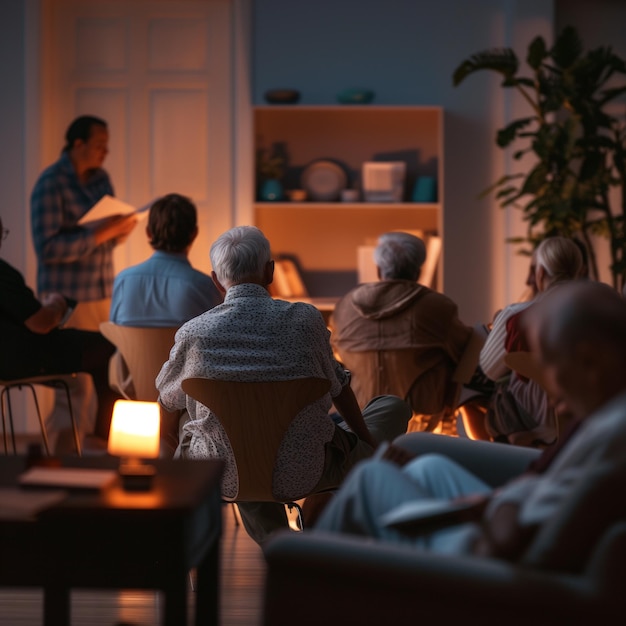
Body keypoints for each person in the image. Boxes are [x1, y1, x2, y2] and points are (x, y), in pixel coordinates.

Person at [315, 280, 626, 566]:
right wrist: (496, 500)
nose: (546, 384)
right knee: (428, 466)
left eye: (549, 366)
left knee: (371, 475)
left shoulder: (611, 435)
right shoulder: (605, 417)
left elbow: (507, 541)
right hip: (508, 514)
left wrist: (486, 508)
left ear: (587, 361)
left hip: (491, 559)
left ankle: (305, 575)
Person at [156, 226, 412, 544]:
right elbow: (339, 387)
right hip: (306, 468)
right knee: (392, 406)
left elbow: (166, 401)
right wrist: (366, 446)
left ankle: (280, 543)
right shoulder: (306, 321)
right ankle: (302, 540)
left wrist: (172, 465)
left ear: (215, 279)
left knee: (230, 434)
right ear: (270, 271)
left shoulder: (194, 332)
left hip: (223, 474)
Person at [329, 231, 473, 431]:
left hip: (360, 421)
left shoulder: (345, 307)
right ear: (418, 272)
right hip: (421, 423)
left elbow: (334, 358)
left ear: (379, 270)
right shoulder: (437, 307)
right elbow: (467, 352)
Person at [0, 216, 120, 448]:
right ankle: (104, 442)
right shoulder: (2, 274)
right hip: (20, 357)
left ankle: (96, 439)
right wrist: (57, 303)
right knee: (108, 347)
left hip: (10, 353)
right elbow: (41, 323)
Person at [31, 115, 137, 329]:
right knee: (68, 361)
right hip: (66, 298)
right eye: (100, 145)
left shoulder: (101, 179)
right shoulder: (51, 183)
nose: (105, 152)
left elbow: (107, 241)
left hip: (103, 293)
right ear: (78, 144)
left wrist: (121, 230)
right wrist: (102, 233)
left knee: (103, 358)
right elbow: (47, 249)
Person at [478, 236, 584, 445]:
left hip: (534, 418)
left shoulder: (518, 315)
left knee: (485, 386)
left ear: (541, 272)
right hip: (587, 410)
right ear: (578, 271)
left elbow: (489, 370)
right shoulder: (603, 309)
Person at [110, 193, 221, 327]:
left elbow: (114, 334)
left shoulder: (123, 280)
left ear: (148, 233)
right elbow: (219, 339)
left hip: (132, 349)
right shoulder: (204, 286)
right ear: (194, 233)